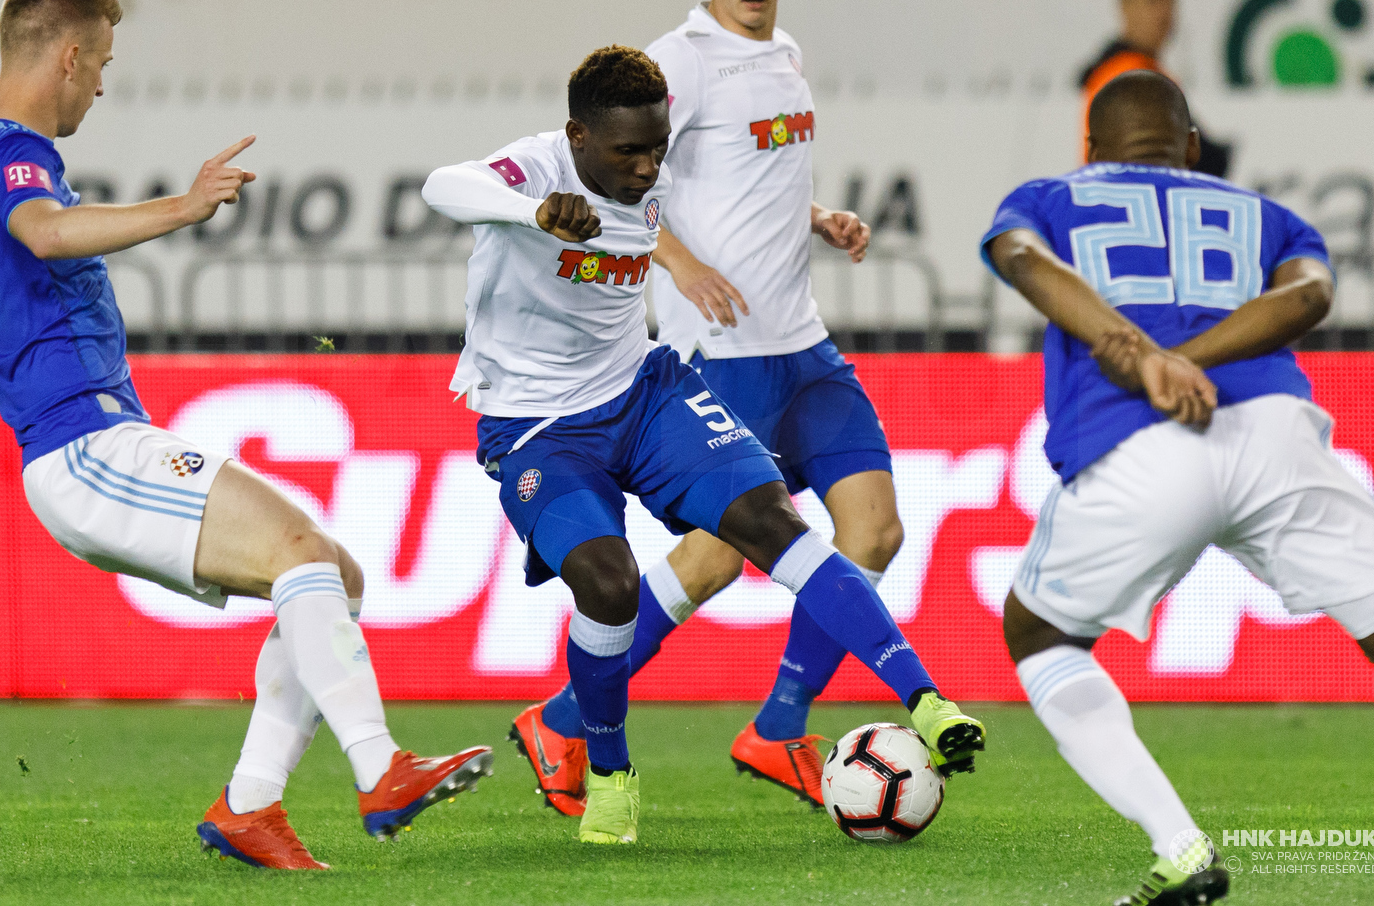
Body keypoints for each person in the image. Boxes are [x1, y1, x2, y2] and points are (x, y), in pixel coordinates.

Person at [0, 0, 492, 871]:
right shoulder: (16, 154)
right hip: (84, 441)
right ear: (66, 55)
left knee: (335, 573)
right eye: (100, 61)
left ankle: (250, 806)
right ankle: (381, 768)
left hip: (82, 449)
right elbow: (46, 232)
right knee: (303, 554)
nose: (102, 83)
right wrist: (185, 206)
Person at [420, 44, 984, 845]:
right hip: (538, 425)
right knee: (608, 584)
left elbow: (732, 201)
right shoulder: (535, 167)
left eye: (658, 146)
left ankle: (926, 699)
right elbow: (442, 186)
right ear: (578, 137)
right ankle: (608, 767)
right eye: (630, 152)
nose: (649, 167)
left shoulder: (656, 171)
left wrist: (814, 217)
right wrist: (535, 211)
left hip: (644, 394)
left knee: (770, 520)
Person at [982, 69, 1374, 906]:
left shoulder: (1049, 195)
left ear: (1091, 149)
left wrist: (1144, 357)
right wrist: (1197, 357)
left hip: (1139, 442)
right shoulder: (1259, 212)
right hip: (1277, 438)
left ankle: (1179, 847)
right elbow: (1310, 294)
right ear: (1190, 146)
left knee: (1040, 633)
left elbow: (1020, 258)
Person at [510, 0, 911, 818]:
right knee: (716, 558)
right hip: (719, 347)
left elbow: (742, 174)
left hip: (800, 340)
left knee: (875, 531)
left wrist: (816, 217)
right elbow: (610, 177)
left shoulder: (784, 54)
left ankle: (777, 726)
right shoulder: (677, 62)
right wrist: (675, 263)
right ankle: (565, 718)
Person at [1078, 0, 1230, 177]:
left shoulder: (1131, 68)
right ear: (1125, 7)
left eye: (1170, 0)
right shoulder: (1129, 73)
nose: (1164, 11)